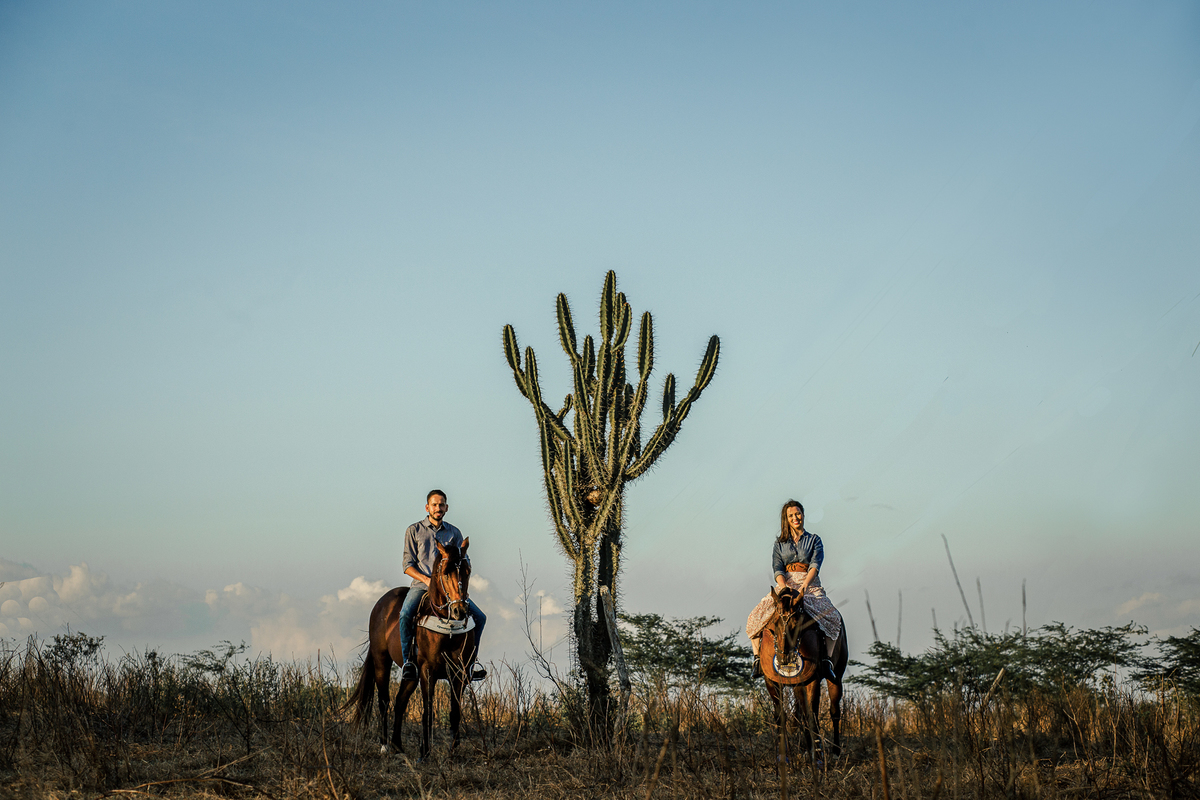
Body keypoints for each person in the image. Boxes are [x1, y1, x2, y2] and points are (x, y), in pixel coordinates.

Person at [746, 500, 842, 681]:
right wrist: (784, 587)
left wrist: (804, 586)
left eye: (797, 513)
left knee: (834, 617)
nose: (795, 517)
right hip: (786, 584)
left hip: (809, 584)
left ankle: (827, 661)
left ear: (803, 515)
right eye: (791, 515)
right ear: (786, 519)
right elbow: (777, 568)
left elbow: (815, 565)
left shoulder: (814, 540)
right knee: (755, 616)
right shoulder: (779, 544)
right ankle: (757, 660)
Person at [398, 489, 487, 683]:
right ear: (427, 507)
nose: (438, 508)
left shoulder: (454, 533)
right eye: (434, 505)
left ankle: (470, 664)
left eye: (441, 505)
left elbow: (465, 562)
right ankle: (408, 662)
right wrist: (427, 580)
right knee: (405, 614)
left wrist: (461, 585)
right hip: (422, 586)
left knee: (480, 618)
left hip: (450, 590)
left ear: (446, 508)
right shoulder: (414, 530)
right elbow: (407, 565)